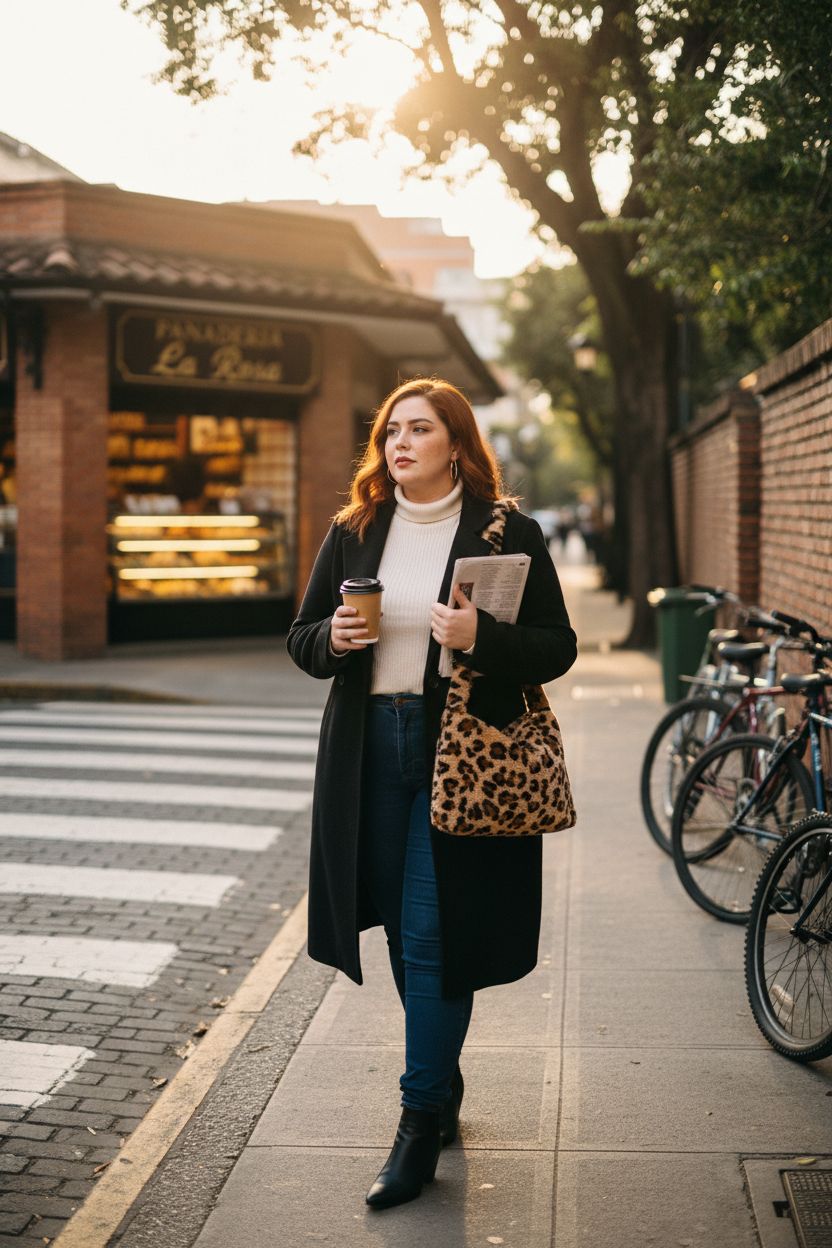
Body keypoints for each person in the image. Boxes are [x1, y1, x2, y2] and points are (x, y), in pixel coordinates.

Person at [287, 378, 577, 1210]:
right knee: (401, 928)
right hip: (371, 752)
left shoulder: (506, 532)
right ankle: (440, 1085)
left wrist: (481, 635)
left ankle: (417, 1124)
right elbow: (302, 637)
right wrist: (332, 638)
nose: (400, 444)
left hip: (463, 756)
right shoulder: (356, 530)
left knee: (433, 934)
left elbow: (557, 645)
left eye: (420, 429)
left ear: (457, 442)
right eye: (390, 432)